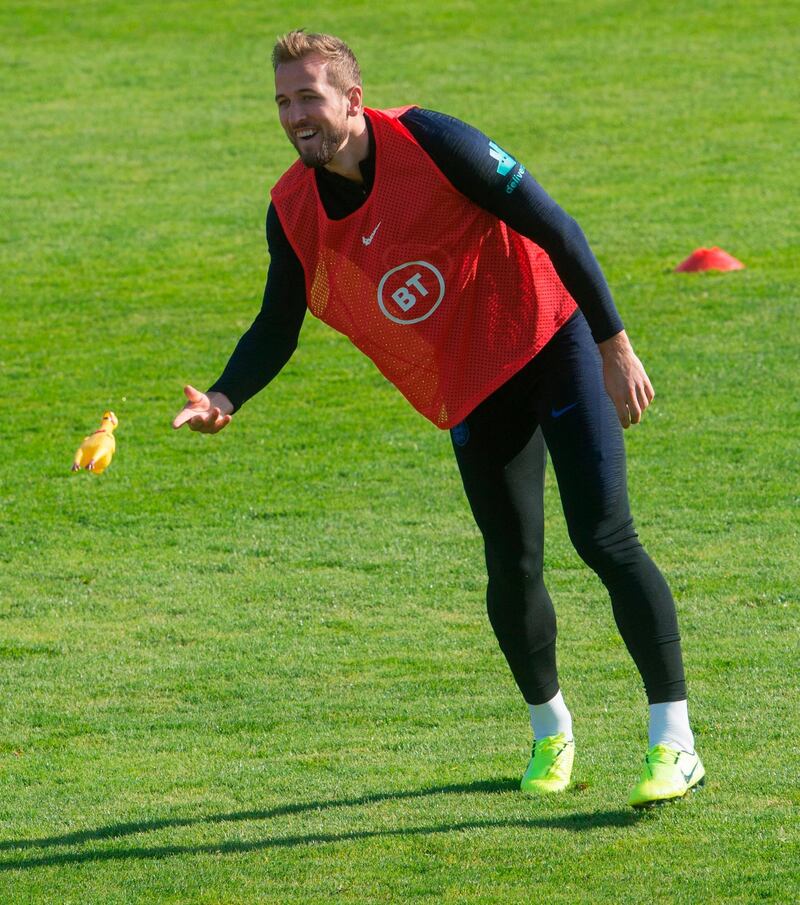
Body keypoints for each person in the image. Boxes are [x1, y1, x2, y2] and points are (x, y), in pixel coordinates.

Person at [172, 29, 705, 808]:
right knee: (512, 563)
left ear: (352, 99)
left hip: (549, 337)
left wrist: (612, 343)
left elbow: (555, 225)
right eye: (283, 100)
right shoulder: (292, 208)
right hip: (472, 380)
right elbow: (277, 323)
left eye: (308, 96)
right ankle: (550, 730)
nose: (293, 115)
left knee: (604, 535)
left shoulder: (432, 139)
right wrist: (225, 396)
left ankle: (674, 741)